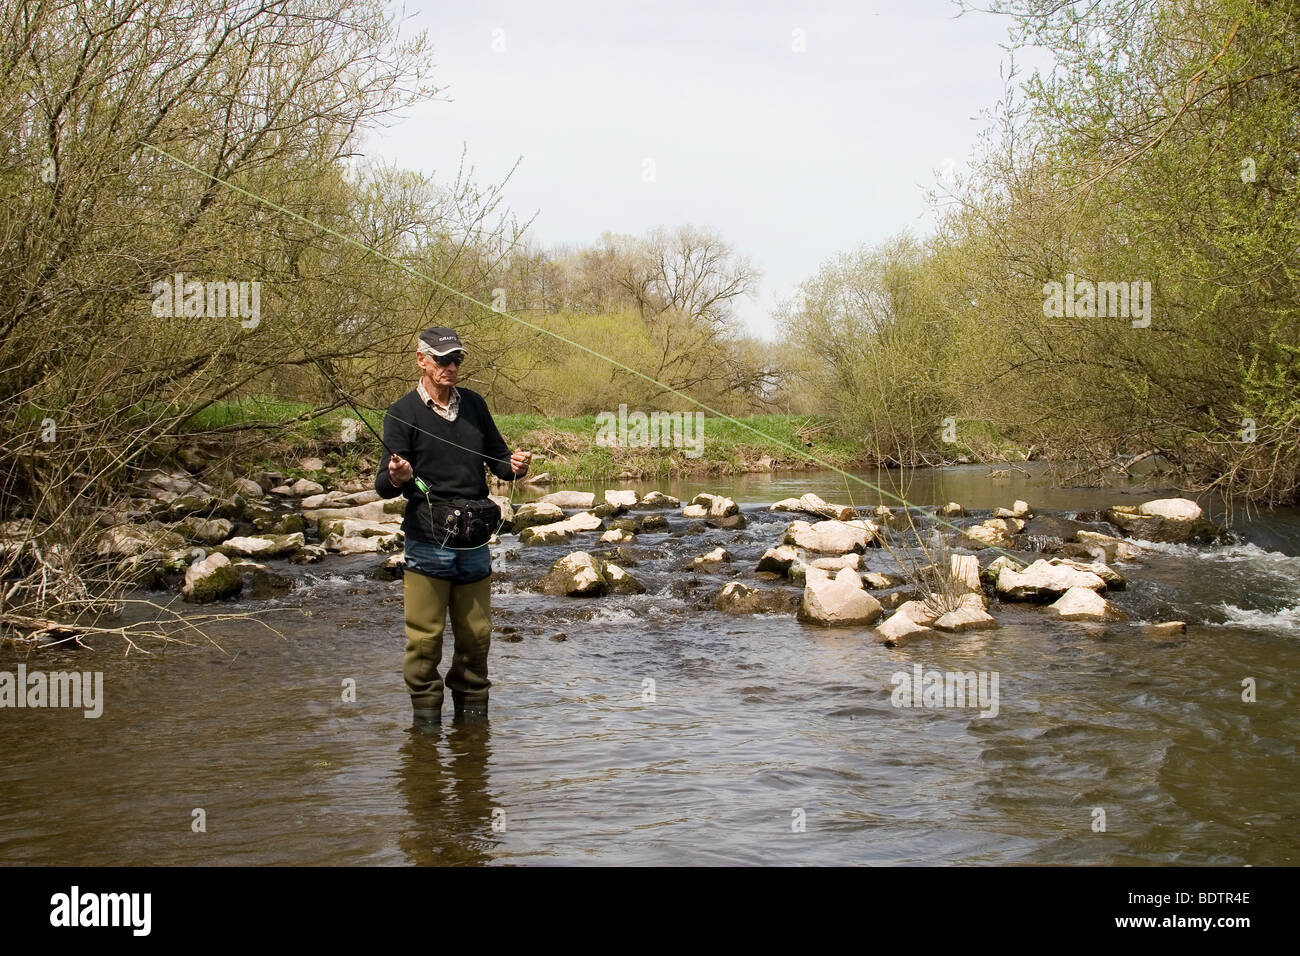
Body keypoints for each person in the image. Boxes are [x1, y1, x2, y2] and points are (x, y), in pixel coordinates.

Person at [375, 326, 531, 724]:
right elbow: (383, 488)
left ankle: (473, 733)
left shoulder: (476, 406)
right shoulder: (401, 413)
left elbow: (498, 460)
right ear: (421, 360)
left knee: (476, 641)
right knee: (425, 646)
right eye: (442, 359)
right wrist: (399, 475)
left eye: (456, 359)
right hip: (427, 543)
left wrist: (513, 465)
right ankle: (425, 733)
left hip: (474, 543)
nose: (450, 367)